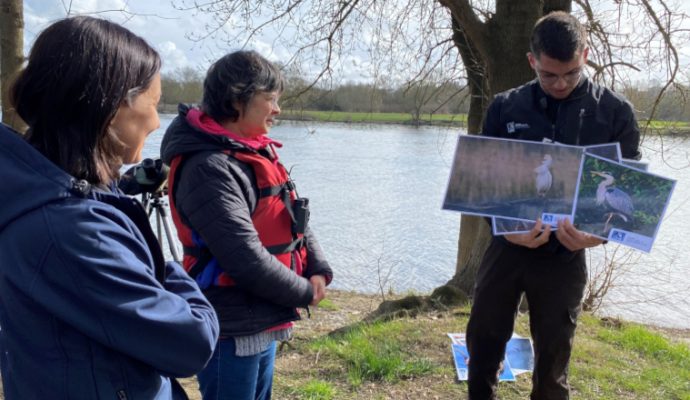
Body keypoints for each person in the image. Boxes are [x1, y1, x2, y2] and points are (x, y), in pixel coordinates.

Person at [0, 16, 219, 399]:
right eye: (153, 104)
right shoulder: (71, 229)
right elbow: (193, 342)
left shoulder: (42, 190)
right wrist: (166, 269)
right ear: (110, 107)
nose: (155, 121)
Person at [465, 11, 640, 400]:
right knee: (482, 344)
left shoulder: (616, 113)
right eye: (549, 75)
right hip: (508, 247)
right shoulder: (504, 107)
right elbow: (481, 186)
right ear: (532, 62)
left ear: (586, 55)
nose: (560, 83)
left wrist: (596, 238)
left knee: (553, 363)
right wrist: (504, 227)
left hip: (566, 253)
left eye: (571, 73)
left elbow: (633, 191)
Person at [161, 50, 333, 400]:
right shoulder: (208, 168)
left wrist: (318, 268)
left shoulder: (252, 151)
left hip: (263, 314)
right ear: (238, 99)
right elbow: (244, 259)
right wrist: (305, 292)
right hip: (231, 322)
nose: (277, 109)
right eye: (270, 99)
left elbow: (293, 216)